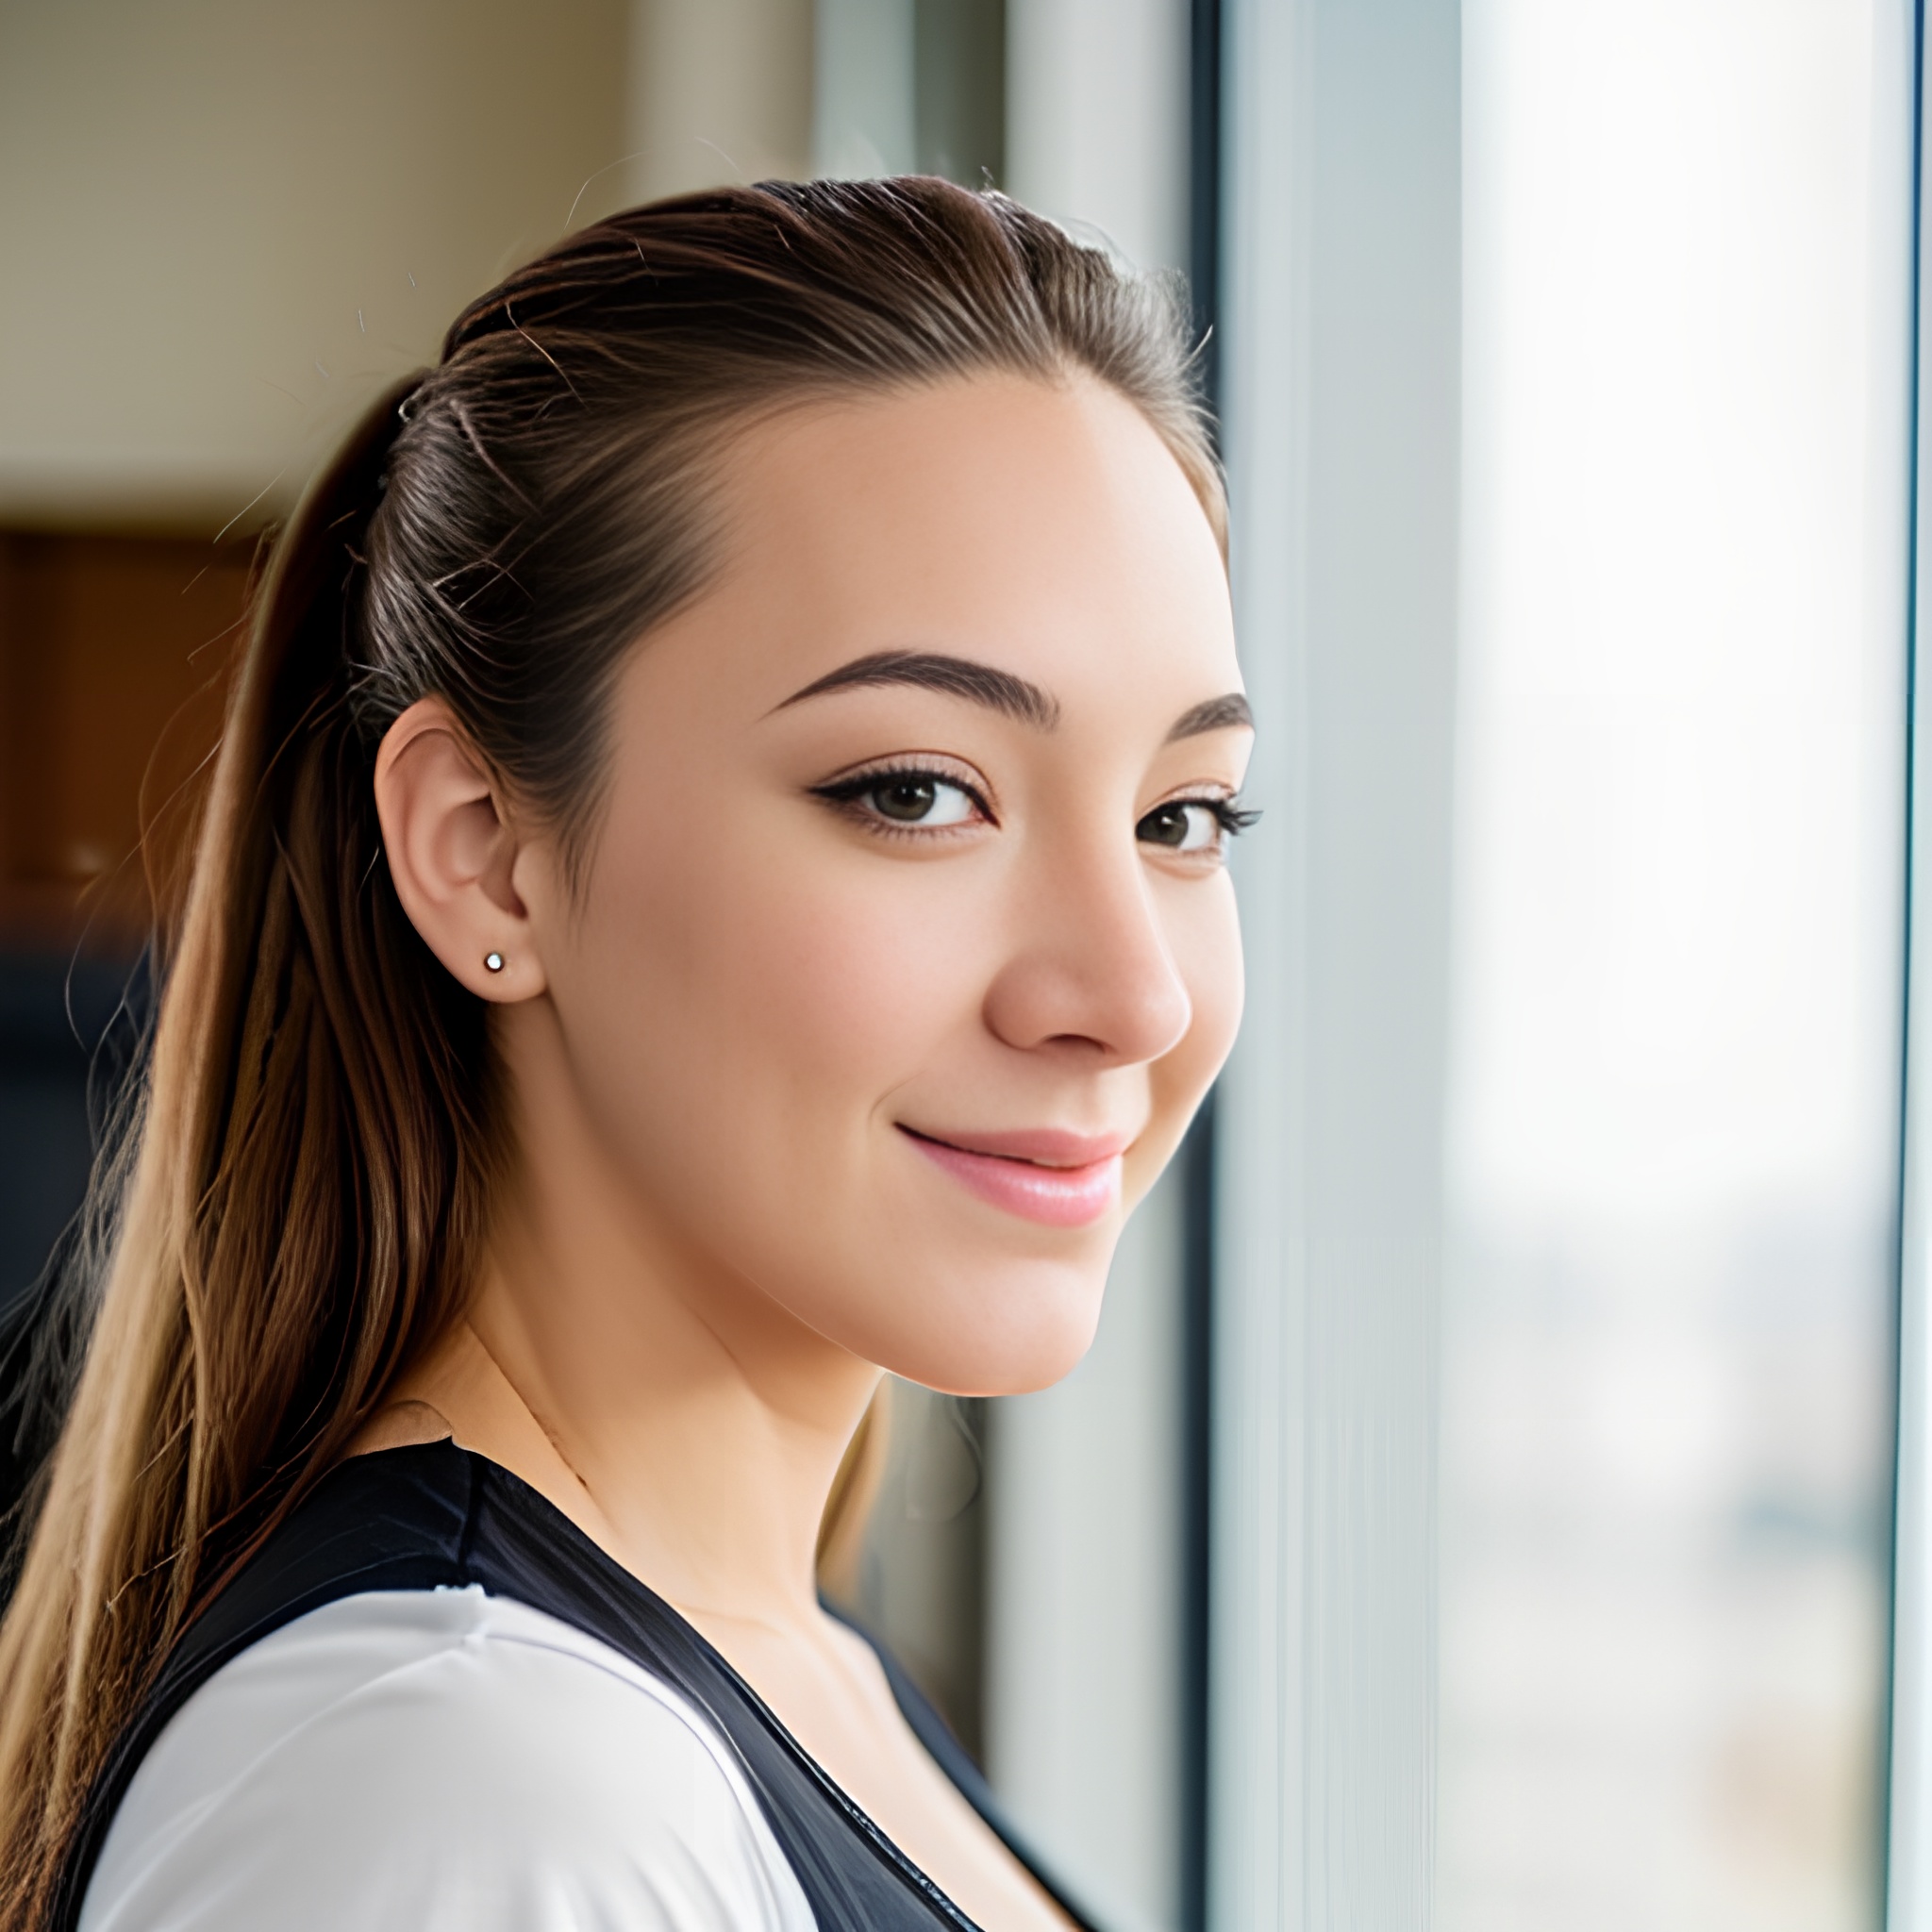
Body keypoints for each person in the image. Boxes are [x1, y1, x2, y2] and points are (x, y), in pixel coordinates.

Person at [0, 176, 1250, 1930]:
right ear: (484, 847)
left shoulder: (765, 1675)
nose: (1134, 993)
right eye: (914, 793)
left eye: (1185, 815)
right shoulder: (477, 1781)